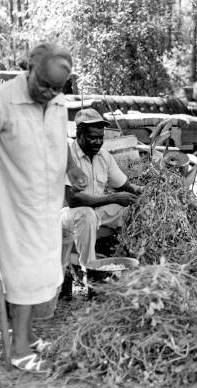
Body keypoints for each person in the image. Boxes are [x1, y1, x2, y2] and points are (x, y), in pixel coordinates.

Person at [0, 43, 88, 373]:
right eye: (44, 85)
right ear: (29, 69)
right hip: (10, 205)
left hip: (43, 204)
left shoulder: (56, 99)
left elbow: (57, 138)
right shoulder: (0, 102)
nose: (50, 93)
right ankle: (19, 349)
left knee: (41, 272)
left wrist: (72, 168)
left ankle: (25, 335)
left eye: (57, 88)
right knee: (22, 277)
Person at [61, 108, 143, 271]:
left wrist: (143, 191)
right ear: (79, 134)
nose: (98, 142)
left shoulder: (103, 156)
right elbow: (73, 200)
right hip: (66, 215)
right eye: (92, 138)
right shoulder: (67, 155)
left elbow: (124, 186)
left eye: (100, 138)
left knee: (132, 206)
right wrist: (113, 198)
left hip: (96, 212)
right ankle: (89, 269)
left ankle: (133, 253)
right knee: (87, 214)